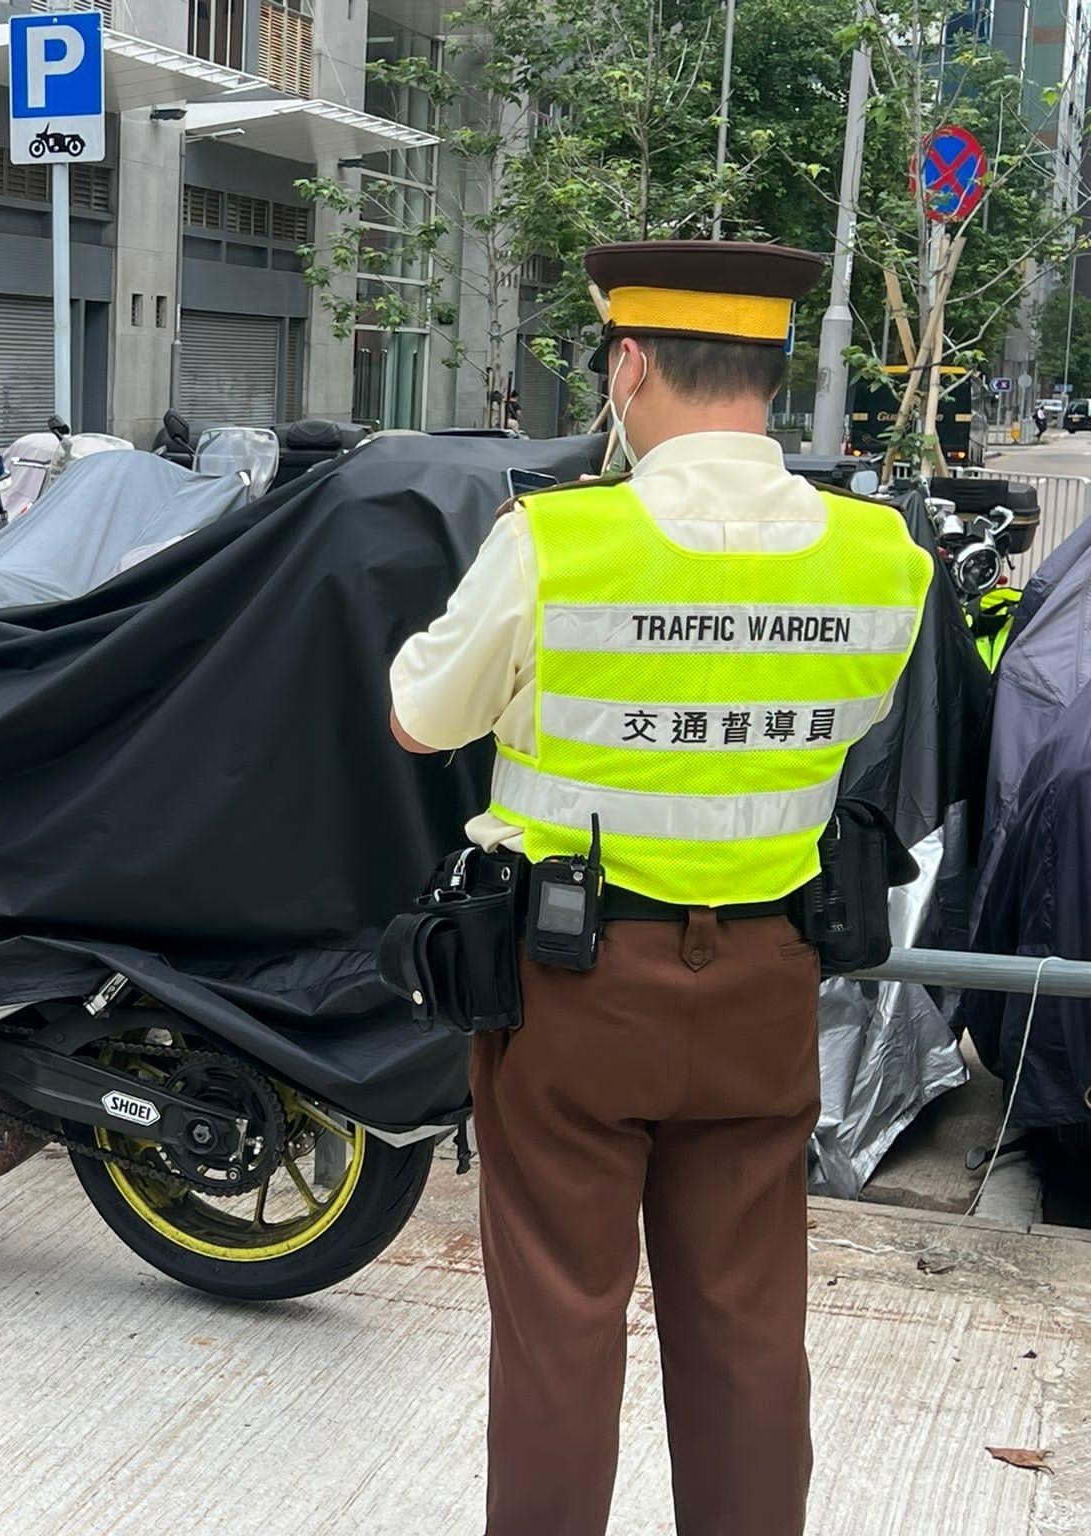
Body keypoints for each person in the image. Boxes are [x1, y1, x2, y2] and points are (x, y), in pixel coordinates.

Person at [387, 240, 936, 1536]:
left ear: (629, 365)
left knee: (560, 1331)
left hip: (573, 992)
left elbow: (420, 716)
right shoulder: (881, 556)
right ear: (773, 373)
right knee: (750, 1330)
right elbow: (854, 721)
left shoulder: (559, 543)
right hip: (767, 986)